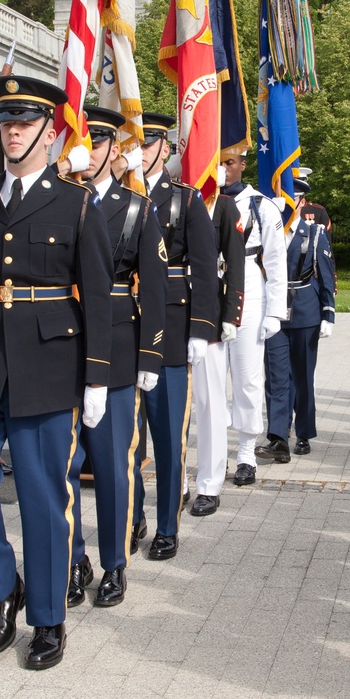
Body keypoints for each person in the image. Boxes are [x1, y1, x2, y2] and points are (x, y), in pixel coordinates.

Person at [0, 75, 113, 671]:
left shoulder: (76, 201)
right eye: (4, 122)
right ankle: (7, 582)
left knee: (42, 498)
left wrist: (95, 379)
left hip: (48, 364)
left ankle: (47, 618)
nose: (12, 132)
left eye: (24, 122)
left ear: (50, 130)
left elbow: (97, 294)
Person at [65, 107, 167, 609]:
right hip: (62, 342)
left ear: (113, 147)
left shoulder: (136, 208)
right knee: (61, 465)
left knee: (110, 463)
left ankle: (114, 562)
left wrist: (150, 354)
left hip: (119, 345)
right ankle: (71, 555)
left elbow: (154, 284)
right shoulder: (62, 202)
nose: (88, 148)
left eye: (97, 140)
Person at [136, 112, 218, 559]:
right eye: (135, 142)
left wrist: (201, 330)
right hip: (124, 330)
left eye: (148, 144)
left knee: (168, 437)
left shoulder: (183, 201)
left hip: (170, 330)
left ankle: (167, 525)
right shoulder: (115, 196)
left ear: (164, 149)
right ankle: (131, 516)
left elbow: (205, 268)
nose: (140, 151)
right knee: (126, 443)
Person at [220, 149, 288, 486]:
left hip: (248, 284)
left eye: (229, 162)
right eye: (217, 161)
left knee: (247, 378)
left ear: (243, 164)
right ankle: (215, 452)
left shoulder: (262, 205)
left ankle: (246, 451)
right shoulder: (199, 198)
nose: (223, 168)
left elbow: (276, 261)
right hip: (210, 288)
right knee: (212, 381)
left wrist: (275, 311)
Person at [259, 180, 336, 459]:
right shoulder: (267, 231)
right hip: (275, 311)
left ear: (302, 203)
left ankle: (303, 432)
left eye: (295, 200)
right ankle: (279, 436)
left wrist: (328, 312)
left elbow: (325, 274)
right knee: (277, 377)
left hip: (305, 311)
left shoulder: (314, 233)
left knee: (303, 377)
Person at [189, 174, 247, 515]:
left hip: (208, 315)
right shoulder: (164, 199)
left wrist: (231, 315)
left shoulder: (222, 205)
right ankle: (178, 479)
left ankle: (209, 484)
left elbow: (235, 262)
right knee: (174, 410)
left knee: (210, 406)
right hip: (168, 314)